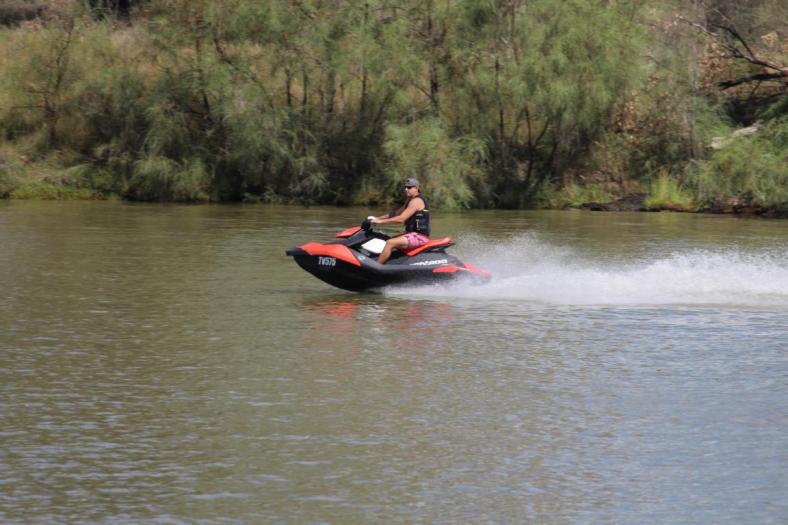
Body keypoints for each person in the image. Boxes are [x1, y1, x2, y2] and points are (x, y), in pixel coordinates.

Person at [365, 178, 430, 264]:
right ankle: (389, 263)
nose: (406, 189)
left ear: (416, 188)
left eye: (409, 187)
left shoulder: (417, 201)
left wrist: (380, 222)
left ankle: (375, 267)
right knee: (387, 239)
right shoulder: (410, 200)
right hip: (411, 234)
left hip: (420, 237)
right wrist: (377, 218)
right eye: (405, 187)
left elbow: (401, 219)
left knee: (390, 243)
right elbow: (396, 213)